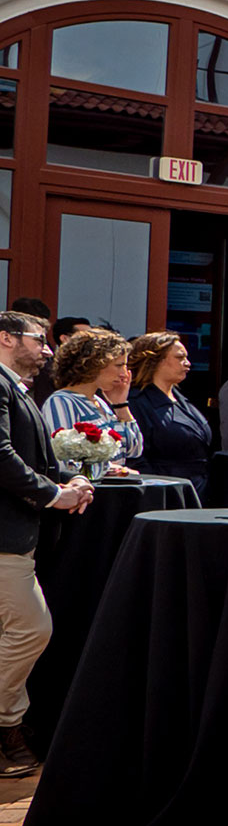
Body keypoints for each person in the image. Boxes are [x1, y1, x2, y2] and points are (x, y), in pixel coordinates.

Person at [0, 314, 89, 777]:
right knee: (33, 630)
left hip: (19, 533)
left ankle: (9, 730)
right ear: (6, 338)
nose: (50, 349)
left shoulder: (18, 387)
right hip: (4, 536)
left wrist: (66, 479)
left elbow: (29, 456)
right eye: (40, 340)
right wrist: (54, 494)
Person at [39, 332, 142, 469]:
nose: (124, 373)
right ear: (94, 364)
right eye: (119, 365)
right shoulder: (62, 402)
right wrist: (109, 470)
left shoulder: (100, 402)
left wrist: (120, 404)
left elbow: (134, 450)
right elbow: (62, 459)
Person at [127, 333, 212, 498]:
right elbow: (136, 456)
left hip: (198, 489)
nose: (187, 364)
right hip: (168, 492)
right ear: (155, 360)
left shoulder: (181, 399)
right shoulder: (136, 402)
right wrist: (158, 491)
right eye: (180, 358)